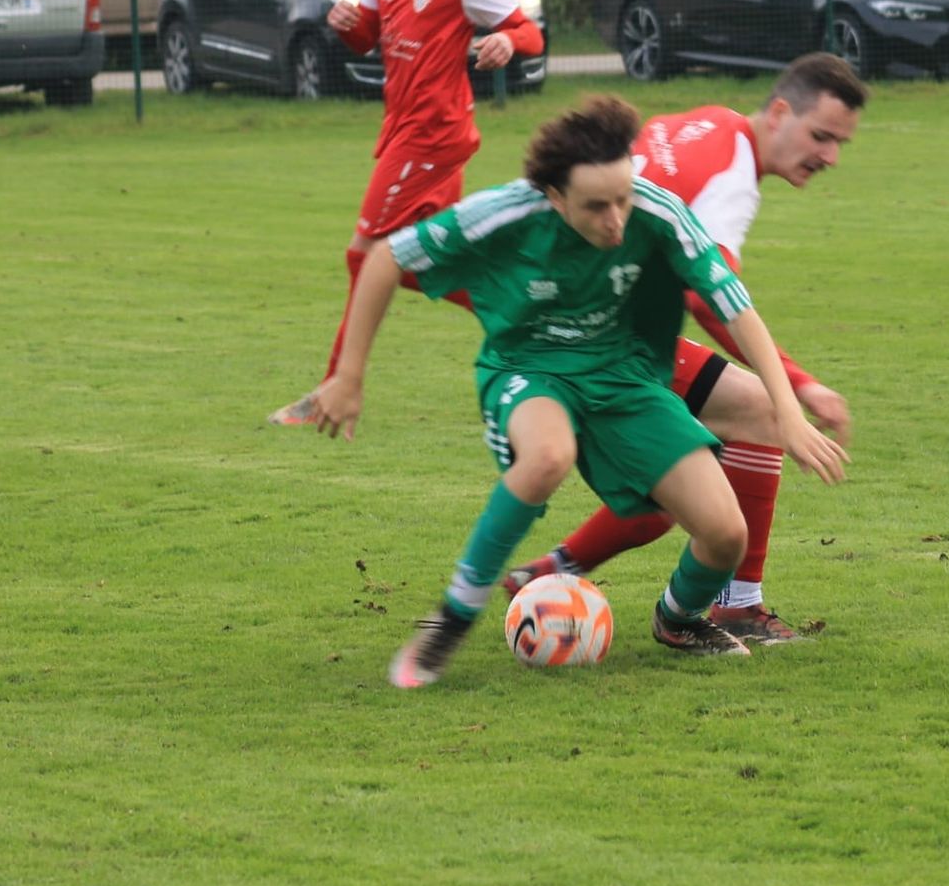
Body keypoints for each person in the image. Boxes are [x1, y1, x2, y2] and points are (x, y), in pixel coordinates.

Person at [311, 96, 849, 687]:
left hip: (624, 378)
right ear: (554, 197)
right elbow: (386, 257)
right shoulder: (502, 212)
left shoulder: (659, 211)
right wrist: (348, 375)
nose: (616, 220)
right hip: (529, 367)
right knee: (548, 456)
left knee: (724, 535)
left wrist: (790, 412)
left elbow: (734, 307)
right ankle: (453, 617)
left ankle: (677, 619)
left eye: (623, 198)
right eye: (596, 207)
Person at [499, 53, 865, 644]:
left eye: (840, 142)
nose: (829, 156)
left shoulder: (712, 124)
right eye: (820, 136)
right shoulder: (731, 178)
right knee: (710, 461)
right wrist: (800, 384)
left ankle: (549, 573)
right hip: (585, 343)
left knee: (682, 480)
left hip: (583, 323)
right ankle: (721, 609)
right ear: (779, 113)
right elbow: (712, 301)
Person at [268, 0, 545, 426]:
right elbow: (369, 32)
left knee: (363, 254)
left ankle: (330, 392)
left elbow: (527, 31)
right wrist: (348, 25)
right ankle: (528, 308)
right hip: (404, 127)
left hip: (432, 135)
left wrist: (507, 44)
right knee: (433, 260)